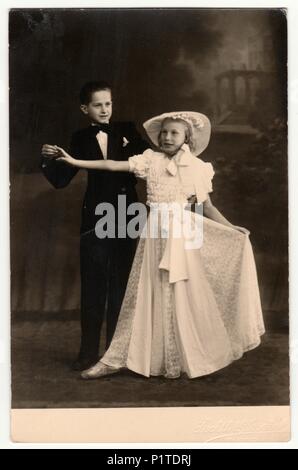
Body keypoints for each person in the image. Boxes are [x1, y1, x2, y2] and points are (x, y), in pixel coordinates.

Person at [50, 111, 265, 379]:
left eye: (174, 132)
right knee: (149, 291)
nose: (166, 137)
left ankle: (194, 356)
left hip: (183, 236)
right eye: (163, 132)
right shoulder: (150, 160)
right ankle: (125, 358)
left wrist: (231, 228)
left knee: (184, 292)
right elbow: (112, 165)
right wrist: (74, 160)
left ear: (187, 137)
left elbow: (207, 207)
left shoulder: (198, 168)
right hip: (154, 236)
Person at [41, 81, 149, 371]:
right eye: (98, 104)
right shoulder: (79, 138)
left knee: (121, 287)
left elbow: (153, 162)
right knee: (93, 286)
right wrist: (46, 160)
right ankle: (88, 354)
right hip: (96, 217)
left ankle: (117, 355)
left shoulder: (127, 129)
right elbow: (61, 181)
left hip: (129, 214)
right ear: (84, 108)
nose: (104, 109)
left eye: (108, 103)